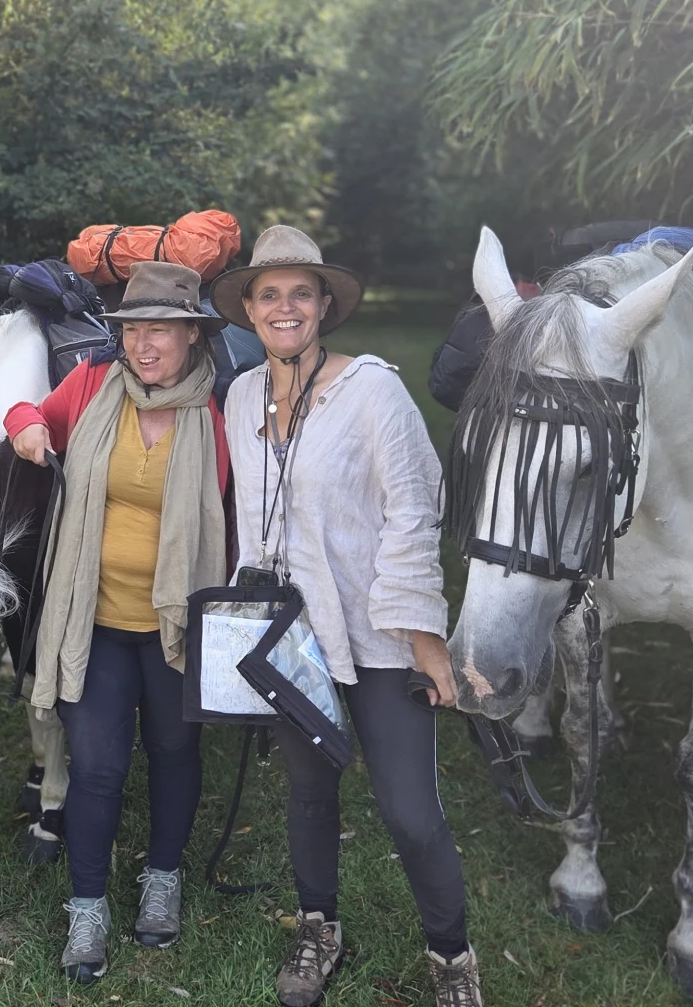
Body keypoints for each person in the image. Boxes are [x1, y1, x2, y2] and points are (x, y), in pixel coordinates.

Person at [211, 226, 482, 1007]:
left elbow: (415, 509)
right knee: (308, 792)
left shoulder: (371, 390)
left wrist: (424, 636)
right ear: (249, 310)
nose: (285, 307)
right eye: (269, 294)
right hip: (295, 640)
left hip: (378, 632)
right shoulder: (240, 397)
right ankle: (317, 927)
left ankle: (452, 957)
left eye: (301, 292)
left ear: (324, 304)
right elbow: (252, 521)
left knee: (410, 809)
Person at [4, 261, 231, 983]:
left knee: (173, 751)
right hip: (93, 618)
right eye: (133, 329)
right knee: (98, 767)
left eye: (160, 330)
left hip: (176, 626)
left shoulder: (217, 415)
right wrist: (28, 428)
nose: (143, 345)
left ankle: (162, 878)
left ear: (193, 337)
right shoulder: (92, 387)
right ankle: (88, 906)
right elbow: (24, 412)